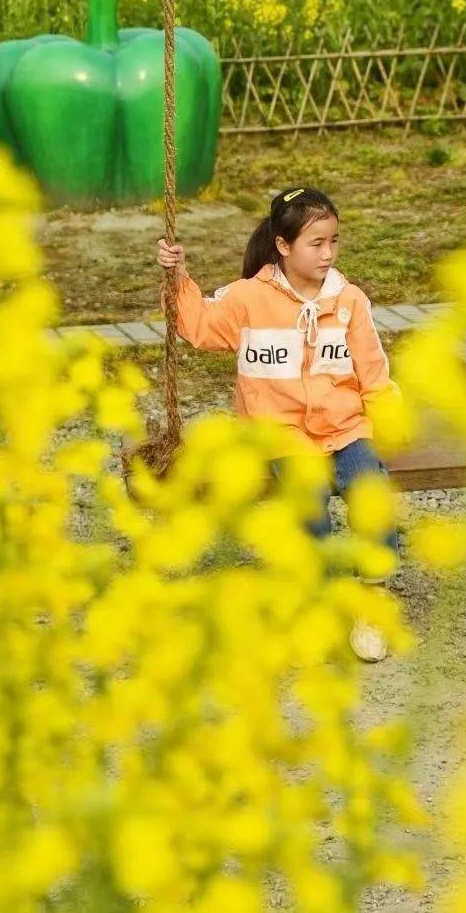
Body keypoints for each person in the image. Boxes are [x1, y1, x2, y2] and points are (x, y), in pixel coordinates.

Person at [157, 185, 400, 662]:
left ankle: (372, 594)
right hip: (282, 433)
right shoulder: (249, 299)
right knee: (306, 502)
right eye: (316, 243)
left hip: (344, 426)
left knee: (370, 487)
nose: (328, 253)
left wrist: (386, 413)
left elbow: (372, 367)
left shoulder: (349, 301)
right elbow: (200, 326)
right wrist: (177, 275)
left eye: (334, 241)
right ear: (284, 247)